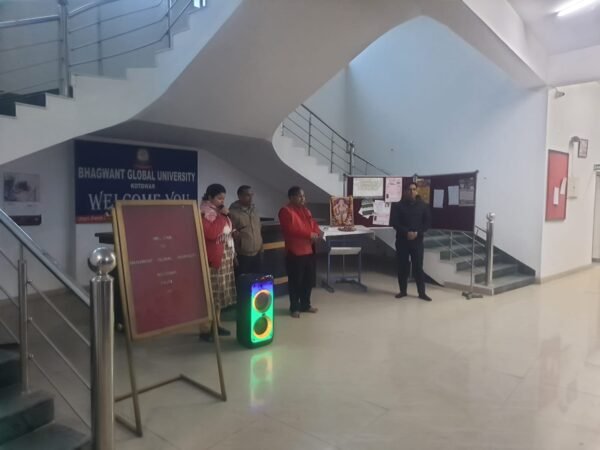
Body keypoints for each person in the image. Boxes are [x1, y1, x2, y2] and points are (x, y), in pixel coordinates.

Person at [199, 184, 237, 341]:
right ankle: (205, 330)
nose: (222, 201)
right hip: (212, 258)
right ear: (210, 197)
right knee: (210, 294)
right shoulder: (205, 212)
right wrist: (222, 216)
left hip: (225, 256)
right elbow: (211, 233)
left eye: (223, 198)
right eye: (219, 198)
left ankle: (217, 325)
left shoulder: (218, 212)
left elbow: (226, 230)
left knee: (219, 293)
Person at [279, 186, 321, 318]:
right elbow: (291, 229)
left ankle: (305, 304)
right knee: (295, 281)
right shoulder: (285, 211)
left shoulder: (306, 210)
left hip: (309, 249)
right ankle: (294, 307)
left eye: (304, 196)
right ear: (291, 197)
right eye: (300, 196)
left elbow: (313, 224)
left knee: (308, 280)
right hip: (295, 252)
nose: (303, 198)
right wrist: (310, 234)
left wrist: (317, 233)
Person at [390, 181, 432, 301]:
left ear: (417, 191)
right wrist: (406, 232)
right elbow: (394, 222)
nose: (412, 191)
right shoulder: (398, 206)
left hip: (417, 241)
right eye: (409, 189)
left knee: (418, 267)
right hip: (402, 241)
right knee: (402, 266)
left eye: (414, 189)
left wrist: (417, 232)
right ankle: (403, 291)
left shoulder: (423, 206)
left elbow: (427, 223)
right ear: (405, 191)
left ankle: (422, 293)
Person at [229, 185, 263, 275]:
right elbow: (230, 236)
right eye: (248, 195)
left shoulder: (254, 210)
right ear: (240, 196)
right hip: (242, 255)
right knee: (243, 281)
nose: (251, 198)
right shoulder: (232, 212)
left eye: (252, 195)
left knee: (257, 280)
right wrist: (234, 256)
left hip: (257, 253)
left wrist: (261, 247)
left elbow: (259, 228)